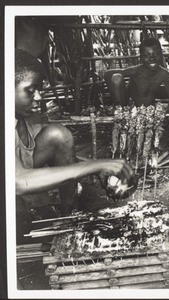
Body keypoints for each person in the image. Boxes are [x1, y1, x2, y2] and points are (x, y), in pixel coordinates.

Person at [15, 48, 134, 225]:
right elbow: (17, 181)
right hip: (16, 181)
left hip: (21, 171)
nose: (39, 97)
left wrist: (96, 168)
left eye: (38, 89)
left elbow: (55, 150)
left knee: (59, 136)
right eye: (30, 91)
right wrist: (96, 165)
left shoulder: (22, 116)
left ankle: (67, 215)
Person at [104, 37, 169, 113]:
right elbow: (107, 74)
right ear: (141, 58)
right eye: (147, 55)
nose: (152, 58)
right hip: (131, 109)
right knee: (116, 77)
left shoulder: (163, 74)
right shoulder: (136, 71)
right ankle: (122, 112)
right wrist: (117, 99)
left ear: (161, 54)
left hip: (149, 109)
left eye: (155, 54)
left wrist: (165, 113)